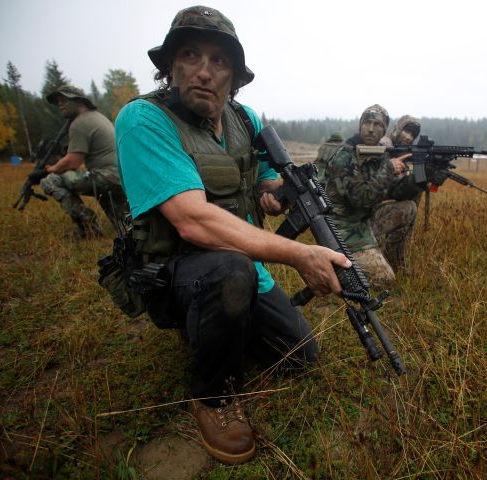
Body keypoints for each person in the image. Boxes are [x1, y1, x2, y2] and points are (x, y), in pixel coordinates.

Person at [113, 5, 349, 465]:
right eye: (189, 55)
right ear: (170, 66)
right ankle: (214, 397)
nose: (204, 71)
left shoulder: (245, 121)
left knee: (299, 358)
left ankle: (217, 324)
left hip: (243, 266)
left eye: (219, 61)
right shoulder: (144, 120)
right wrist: (299, 255)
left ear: (235, 76)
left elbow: (264, 178)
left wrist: (279, 193)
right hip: (173, 270)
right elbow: (192, 220)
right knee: (229, 271)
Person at [323, 106, 447, 285]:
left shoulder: (380, 155)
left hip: (364, 222)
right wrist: (389, 169)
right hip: (341, 229)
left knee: (408, 208)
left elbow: (394, 191)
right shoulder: (345, 156)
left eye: (377, 125)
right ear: (360, 125)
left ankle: (395, 262)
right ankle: (335, 267)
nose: (371, 129)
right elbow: (360, 199)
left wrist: (421, 178)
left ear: (384, 130)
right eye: (367, 123)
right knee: (384, 279)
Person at [40, 85, 129, 238]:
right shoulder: (97, 117)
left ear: (79, 102)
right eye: (58, 102)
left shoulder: (80, 123)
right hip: (121, 177)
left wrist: (50, 169)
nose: (60, 104)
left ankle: (90, 226)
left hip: (106, 177)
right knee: (125, 229)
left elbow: (72, 163)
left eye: (64, 100)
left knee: (50, 181)